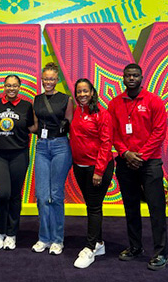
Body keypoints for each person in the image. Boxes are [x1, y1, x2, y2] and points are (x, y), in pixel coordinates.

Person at [108, 63, 168, 271]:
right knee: (131, 207)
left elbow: (159, 132)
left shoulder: (154, 101)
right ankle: (135, 247)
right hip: (125, 162)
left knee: (156, 208)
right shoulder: (115, 103)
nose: (131, 78)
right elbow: (113, 132)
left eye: (135, 75)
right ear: (123, 78)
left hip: (149, 162)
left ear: (142, 77)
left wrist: (141, 156)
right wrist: (125, 153)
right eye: (128, 75)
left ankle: (161, 252)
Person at [70, 78, 114, 268]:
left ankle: (90, 248)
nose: (82, 95)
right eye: (79, 91)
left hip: (97, 168)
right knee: (91, 205)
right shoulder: (77, 111)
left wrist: (99, 171)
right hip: (79, 166)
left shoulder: (102, 114)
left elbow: (106, 143)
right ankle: (99, 243)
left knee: (94, 207)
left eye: (85, 91)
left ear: (92, 92)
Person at [0, 75, 36, 250]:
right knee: (2, 194)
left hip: (19, 154)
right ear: (4, 86)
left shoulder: (26, 106)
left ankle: (11, 233)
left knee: (15, 195)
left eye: (15, 86)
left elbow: (32, 127)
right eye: (8, 85)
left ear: (20, 87)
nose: (11, 88)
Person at [31, 62, 73, 255]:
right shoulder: (36, 99)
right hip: (41, 147)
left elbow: (71, 125)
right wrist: (11, 127)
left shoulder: (66, 99)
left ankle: (57, 239)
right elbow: (34, 126)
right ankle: (43, 238)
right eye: (45, 78)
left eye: (52, 79)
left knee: (55, 195)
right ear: (42, 79)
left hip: (60, 147)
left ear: (57, 80)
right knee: (41, 196)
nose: (48, 81)